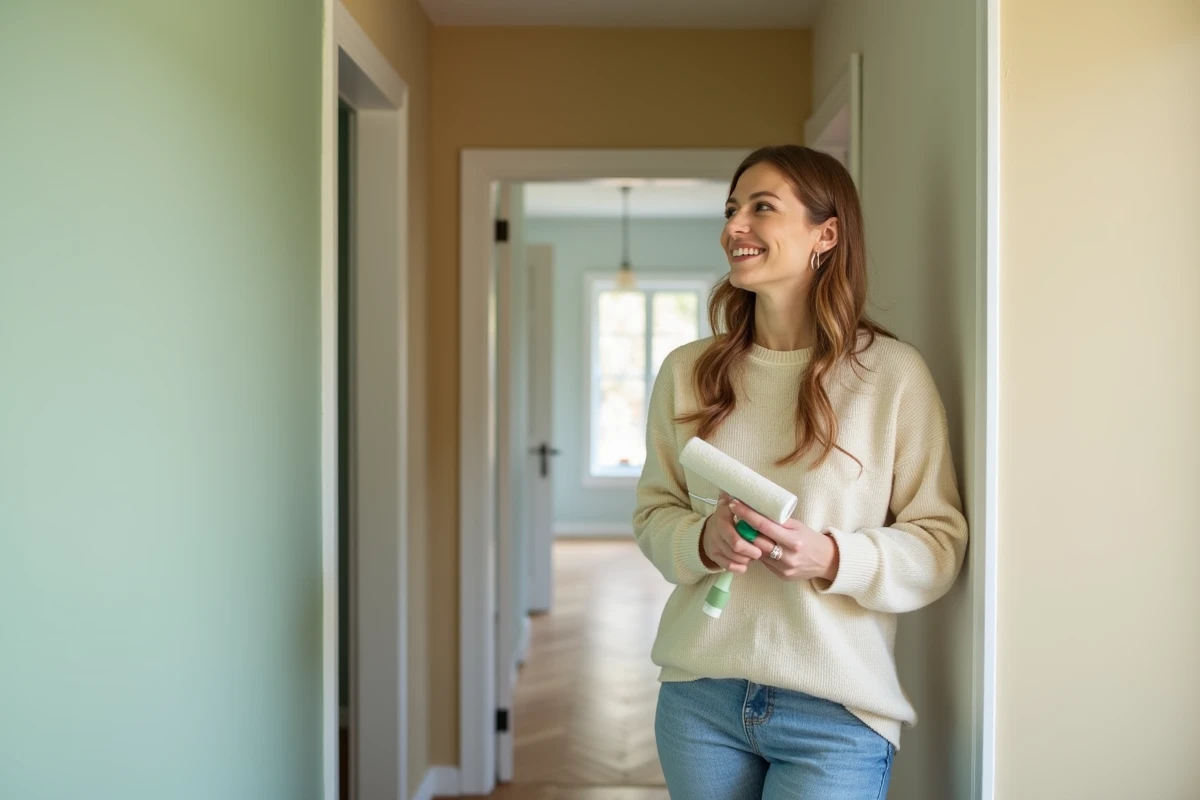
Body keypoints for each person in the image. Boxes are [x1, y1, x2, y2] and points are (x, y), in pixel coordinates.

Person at [632, 144, 969, 799]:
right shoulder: (686, 372)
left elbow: (939, 541)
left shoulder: (892, 377)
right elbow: (654, 511)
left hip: (835, 713)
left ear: (827, 234)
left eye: (762, 207)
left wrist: (832, 556)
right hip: (700, 700)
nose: (735, 226)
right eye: (731, 209)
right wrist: (703, 539)